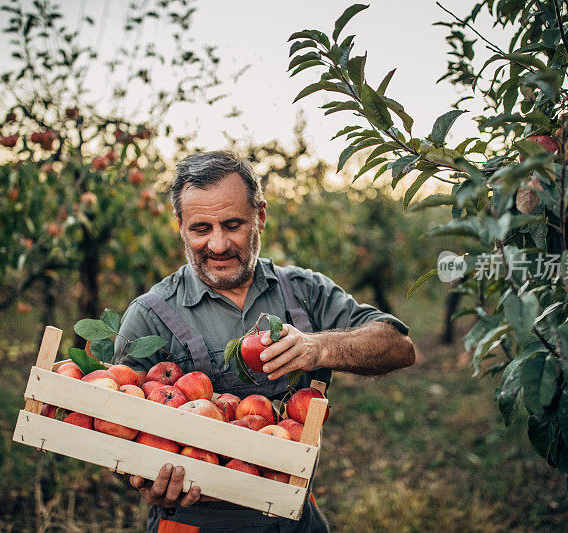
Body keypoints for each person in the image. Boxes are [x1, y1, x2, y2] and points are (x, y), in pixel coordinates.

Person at [113, 150, 415, 532]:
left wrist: (317, 348)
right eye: (200, 228)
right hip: (194, 522)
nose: (218, 245)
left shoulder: (304, 291)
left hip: (293, 516)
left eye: (233, 224)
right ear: (180, 225)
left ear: (260, 216)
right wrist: (142, 479)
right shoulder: (150, 314)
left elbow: (400, 346)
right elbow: (110, 425)